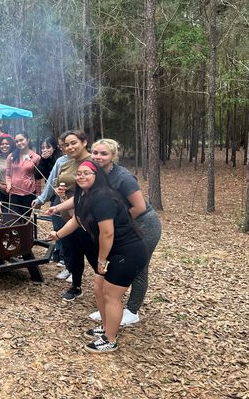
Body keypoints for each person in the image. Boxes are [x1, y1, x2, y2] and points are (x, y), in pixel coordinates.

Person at [50, 139, 162, 326]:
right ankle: (113, 304)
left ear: (113, 156)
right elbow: (82, 197)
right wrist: (57, 207)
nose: (98, 157)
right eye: (95, 153)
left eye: (104, 154)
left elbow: (140, 207)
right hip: (122, 225)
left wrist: (114, 223)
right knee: (117, 264)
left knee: (138, 268)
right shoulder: (95, 173)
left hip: (143, 224)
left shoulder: (123, 178)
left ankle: (132, 311)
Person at [50, 161, 149, 353]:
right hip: (114, 252)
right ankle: (105, 327)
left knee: (111, 295)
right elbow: (77, 220)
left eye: (87, 173)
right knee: (99, 288)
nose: (81, 176)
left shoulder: (103, 198)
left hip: (128, 252)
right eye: (79, 173)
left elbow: (107, 234)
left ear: (97, 176)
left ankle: (110, 339)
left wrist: (101, 260)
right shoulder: (84, 196)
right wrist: (58, 234)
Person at [46, 130, 92, 301]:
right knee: (73, 252)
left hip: (87, 219)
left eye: (74, 143)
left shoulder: (93, 163)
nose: (70, 147)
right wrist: (60, 193)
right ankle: (76, 286)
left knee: (94, 256)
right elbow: (59, 184)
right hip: (67, 216)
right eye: (66, 145)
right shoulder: (66, 163)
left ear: (84, 142)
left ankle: (107, 291)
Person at [32, 136, 67, 263]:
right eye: (42, 148)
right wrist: (43, 160)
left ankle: (64, 257)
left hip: (66, 196)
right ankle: (58, 253)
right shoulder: (46, 160)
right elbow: (37, 176)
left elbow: (55, 179)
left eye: (48, 147)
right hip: (54, 196)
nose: (45, 149)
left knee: (64, 226)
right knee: (57, 225)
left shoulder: (61, 160)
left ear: (54, 147)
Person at [5, 132, 40, 217]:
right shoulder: (11, 156)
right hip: (14, 193)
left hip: (29, 193)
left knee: (26, 219)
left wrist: (39, 196)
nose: (19, 143)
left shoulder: (36, 157)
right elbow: (8, 174)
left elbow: (38, 178)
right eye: (17, 141)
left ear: (28, 140)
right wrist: (8, 184)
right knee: (14, 219)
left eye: (21, 140)